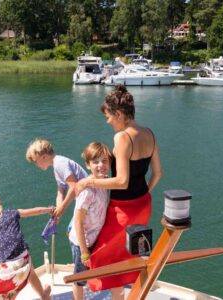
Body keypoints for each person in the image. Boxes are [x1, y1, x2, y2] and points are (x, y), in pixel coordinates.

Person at [76, 84, 162, 299]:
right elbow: (158, 173)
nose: (108, 121)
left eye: (109, 117)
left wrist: (89, 183)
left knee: (98, 255)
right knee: (127, 255)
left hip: (122, 210)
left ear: (119, 114)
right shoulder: (150, 133)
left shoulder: (122, 138)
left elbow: (122, 181)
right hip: (143, 204)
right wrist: (143, 195)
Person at [68, 142, 112, 300]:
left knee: (85, 273)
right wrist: (84, 251)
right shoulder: (87, 191)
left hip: (93, 237)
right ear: (87, 165)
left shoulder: (105, 182)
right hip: (82, 242)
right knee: (79, 279)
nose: (101, 165)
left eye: (105, 160)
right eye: (95, 162)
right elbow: (78, 222)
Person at [26, 139, 88, 219]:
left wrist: (62, 207)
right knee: (71, 229)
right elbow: (60, 192)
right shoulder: (56, 166)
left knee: (74, 229)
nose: (36, 165)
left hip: (90, 201)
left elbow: (74, 187)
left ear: (44, 157)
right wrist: (58, 213)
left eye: (35, 161)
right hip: (85, 201)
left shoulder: (60, 163)